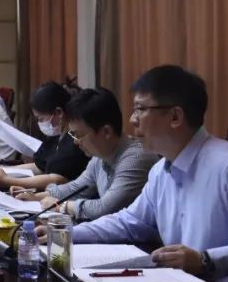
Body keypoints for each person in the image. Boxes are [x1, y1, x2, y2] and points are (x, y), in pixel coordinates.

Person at [40, 65, 228, 282]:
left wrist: (208, 260)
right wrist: (65, 233)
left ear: (175, 117)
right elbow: (129, 222)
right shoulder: (162, 170)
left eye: (140, 109)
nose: (132, 120)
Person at [18, 87, 157, 221]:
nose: (76, 142)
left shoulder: (136, 158)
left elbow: (105, 208)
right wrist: (37, 196)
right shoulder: (100, 157)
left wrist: (62, 206)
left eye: (78, 135)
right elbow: (76, 188)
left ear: (106, 132)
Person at [0, 82, 89, 191]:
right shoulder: (56, 135)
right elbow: (40, 166)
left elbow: (58, 180)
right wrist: (4, 171)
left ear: (59, 112)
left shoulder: (75, 141)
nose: (39, 123)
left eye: (41, 119)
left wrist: (7, 180)